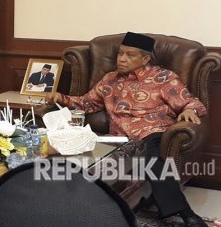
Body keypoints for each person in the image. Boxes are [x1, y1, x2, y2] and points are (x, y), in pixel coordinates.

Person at [46, 32, 208, 227]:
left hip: (151, 133)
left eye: (130, 55)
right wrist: (61, 98)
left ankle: (186, 214)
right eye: (120, 54)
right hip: (118, 139)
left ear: (145, 58)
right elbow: (86, 103)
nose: (122, 59)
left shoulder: (163, 78)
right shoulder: (110, 80)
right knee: (77, 156)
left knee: (152, 161)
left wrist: (189, 110)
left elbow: (191, 102)